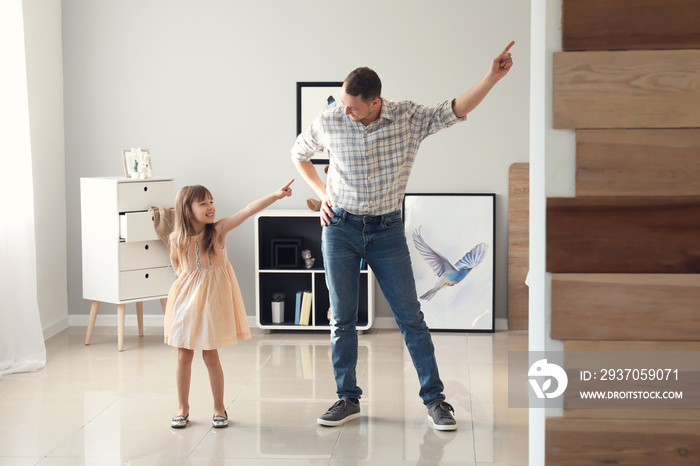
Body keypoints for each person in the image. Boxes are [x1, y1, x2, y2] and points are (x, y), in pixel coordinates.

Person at [291, 42, 514, 431]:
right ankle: (348, 398)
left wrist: (491, 77)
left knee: (410, 317)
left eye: (353, 106)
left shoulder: (409, 118)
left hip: (386, 230)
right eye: (343, 103)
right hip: (340, 228)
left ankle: (436, 400)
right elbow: (299, 153)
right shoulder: (330, 120)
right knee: (342, 319)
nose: (345, 111)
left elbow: (455, 109)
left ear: (376, 102)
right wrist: (323, 194)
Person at [165, 180, 294, 428]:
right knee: (183, 355)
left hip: (211, 304)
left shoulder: (218, 230)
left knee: (210, 355)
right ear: (186, 209)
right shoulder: (176, 239)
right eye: (203, 203)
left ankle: (218, 407)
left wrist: (276, 195)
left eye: (211, 201)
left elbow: (247, 210)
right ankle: (182, 408)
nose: (210, 206)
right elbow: (179, 270)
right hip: (185, 303)